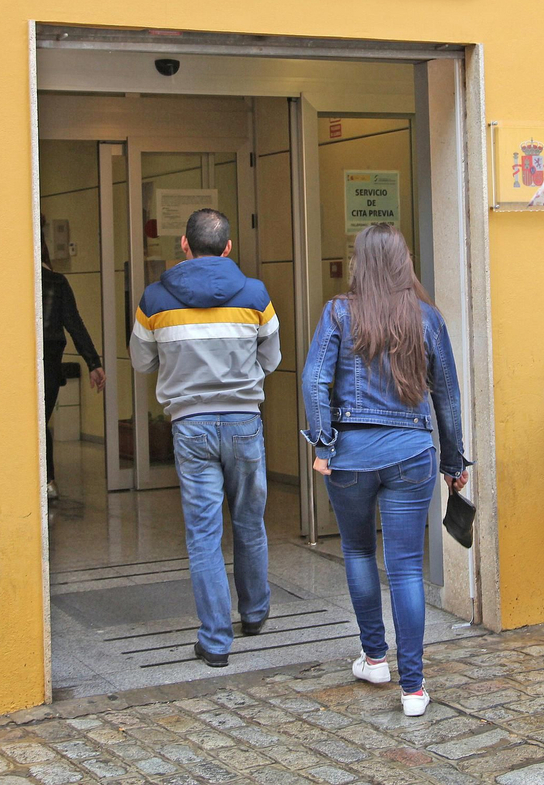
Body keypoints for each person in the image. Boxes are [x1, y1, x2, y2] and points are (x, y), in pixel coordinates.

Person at [302, 224, 471, 718]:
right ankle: (413, 688)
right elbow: (449, 397)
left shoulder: (338, 312)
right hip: (411, 454)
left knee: (356, 550)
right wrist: (453, 461)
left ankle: (375, 658)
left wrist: (325, 444)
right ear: (404, 261)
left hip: (351, 456)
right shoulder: (427, 317)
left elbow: (315, 380)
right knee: (404, 568)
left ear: (360, 262)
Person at [130, 208, 281, 668]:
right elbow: (271, 359)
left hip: (189, 426)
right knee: (249, 522)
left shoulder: (155, 299)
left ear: (184, 244)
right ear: (229, 247)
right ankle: (254, 614)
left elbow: (140, 362)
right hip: (242, 422)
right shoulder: (255, 295)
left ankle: (215, 642)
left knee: (203, 533)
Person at [42, 226, 104, 500]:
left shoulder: (13, 282)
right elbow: (74, 324)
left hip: (17, 365)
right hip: (49, 364)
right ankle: (48, 481)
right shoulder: (56, 282)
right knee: (41, 422)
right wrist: (93, 362)